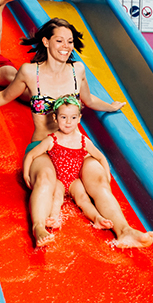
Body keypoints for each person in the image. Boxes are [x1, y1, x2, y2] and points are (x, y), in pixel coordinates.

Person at [0, 17, 153, 250]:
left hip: (75, 147)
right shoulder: (30, 72)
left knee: (99, 180)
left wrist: (110, 105)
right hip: (44, 147)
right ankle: (39, 227)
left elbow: (88, 99)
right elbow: (4, 97)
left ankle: (124, 230)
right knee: (44, 180)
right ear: (45, 41)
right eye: (60, 40)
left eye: (70, 41)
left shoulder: (77, 70)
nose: (66, 46)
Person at [22, 95, 114, 231]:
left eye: (73, 117)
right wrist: (26, 175)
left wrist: (107, 176)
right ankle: (53, 218)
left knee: (84, 199)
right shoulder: (52, 140)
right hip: (58, 179)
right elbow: (31, 155)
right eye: (63, 117)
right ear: (55, 118)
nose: (68, 122)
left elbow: (101, 157)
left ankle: (97, 218)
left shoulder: (83, 140)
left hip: (74, 180)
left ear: (79, 119)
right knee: (57, 198)